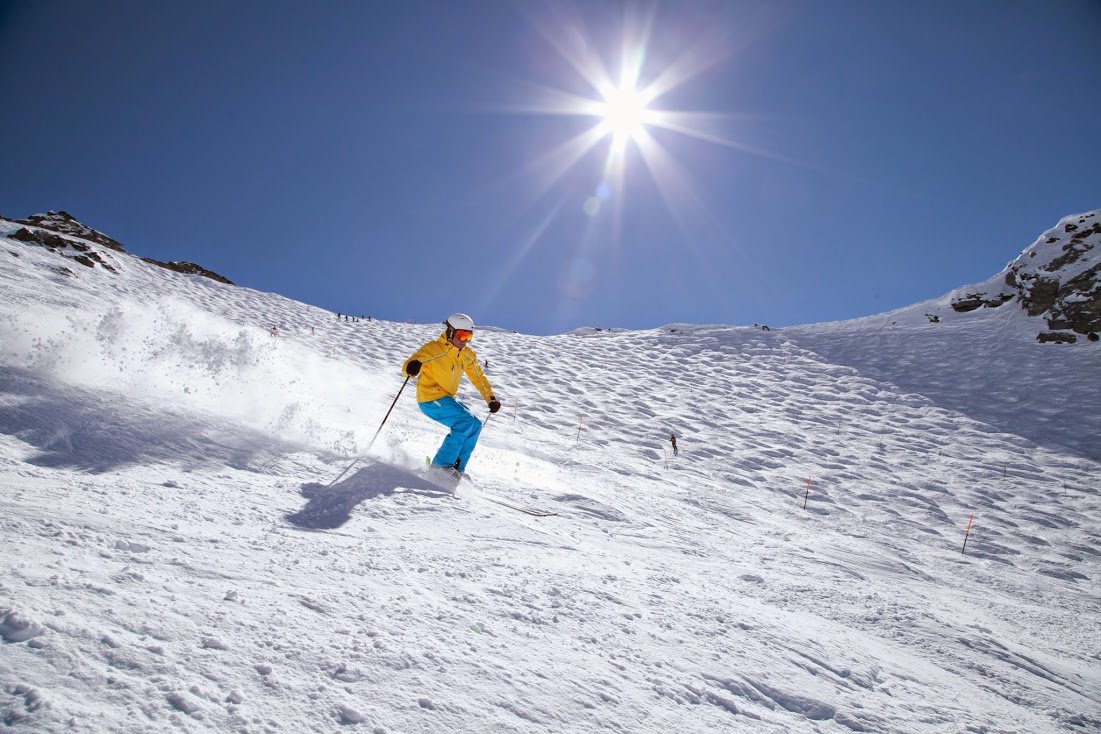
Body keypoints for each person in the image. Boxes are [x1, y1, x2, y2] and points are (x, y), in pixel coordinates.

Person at [403, 313, 500, 480]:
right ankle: (440, 467)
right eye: (462, 335)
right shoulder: (434, 349)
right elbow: (409, 366)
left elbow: (478, 378)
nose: (464, 340)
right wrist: (411, 368)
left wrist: (490, 398)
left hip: (446, 399)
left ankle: (457, 468)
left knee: (475, 425)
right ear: (450, 332)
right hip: (429, 397)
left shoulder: (467, 355)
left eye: (469, 336)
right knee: (465, 421)